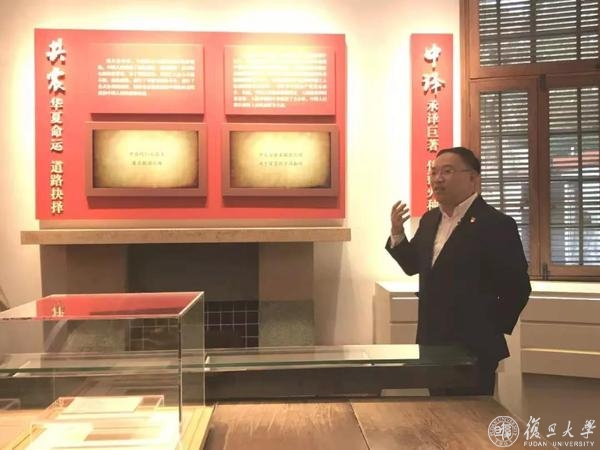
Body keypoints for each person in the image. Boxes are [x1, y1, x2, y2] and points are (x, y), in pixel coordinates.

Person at [386, 146, 531, 395]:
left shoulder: (496, 223)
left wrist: (488, 329)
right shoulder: (430, 219)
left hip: (474, 348)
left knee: (471, 416)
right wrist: (397, 233)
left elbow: (518, 287)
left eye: (447, 171)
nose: (437, 179)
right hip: (432, 342)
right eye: (434, 172)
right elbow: (413, 266)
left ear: (473, 178)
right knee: (438, 413)